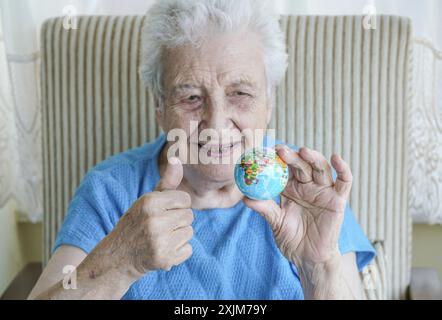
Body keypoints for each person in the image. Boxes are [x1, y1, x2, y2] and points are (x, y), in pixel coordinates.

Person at [29, 0, 375, 300]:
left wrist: (320, 269)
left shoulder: (307, 189)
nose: (217, 122)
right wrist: (120, 261)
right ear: (160, 109)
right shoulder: (110, 190)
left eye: (240, 93)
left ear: (269, 102)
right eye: (191, 97)